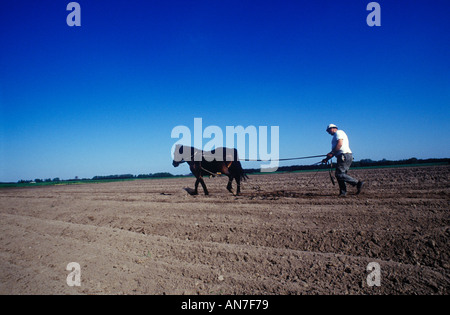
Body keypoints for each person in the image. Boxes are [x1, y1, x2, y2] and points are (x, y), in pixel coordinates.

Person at [322, 124, 364, 197]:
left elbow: (340, 144)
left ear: (333, 128)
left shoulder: (339, 132)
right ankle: (343, 193)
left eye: (328, 130)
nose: (328, 132)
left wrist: (331, 153)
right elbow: (336, 150)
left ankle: (357, 183)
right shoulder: (337, 134)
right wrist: (326, 159)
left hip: (344, 156)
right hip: (343, 156)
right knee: (340, 175)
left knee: (339, 174)